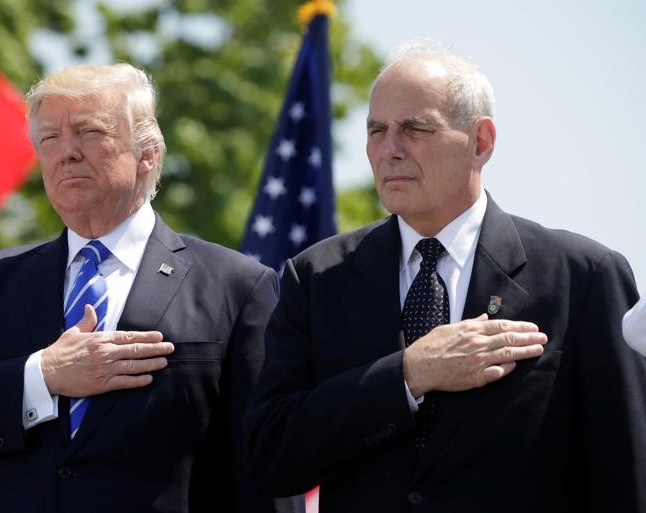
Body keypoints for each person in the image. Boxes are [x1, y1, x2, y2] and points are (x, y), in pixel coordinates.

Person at [245, 41, 646, 512]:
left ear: (481, 141)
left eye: (414, 128)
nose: (388, 150)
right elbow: (270, 455)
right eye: (376, 131)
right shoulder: (316, 276)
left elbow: (627, 475)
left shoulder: (583, 276)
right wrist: (408, 374)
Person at [0, 63, 294, 513]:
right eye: (50, 138)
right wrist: (42, 376)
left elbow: (266, 470)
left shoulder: (237, 286)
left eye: (89, 131)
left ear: (147, 154)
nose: (67, 153)